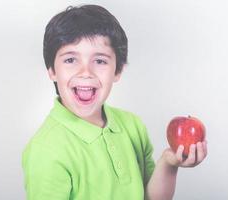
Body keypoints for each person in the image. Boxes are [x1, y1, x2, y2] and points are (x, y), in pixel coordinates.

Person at [22, 4, 207, 200]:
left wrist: (169, 163)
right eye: (70, 60)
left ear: (117, 71)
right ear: (52, 70)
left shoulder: (132, 126)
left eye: (100, 61)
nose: (85, 72)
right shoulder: (46, 151)